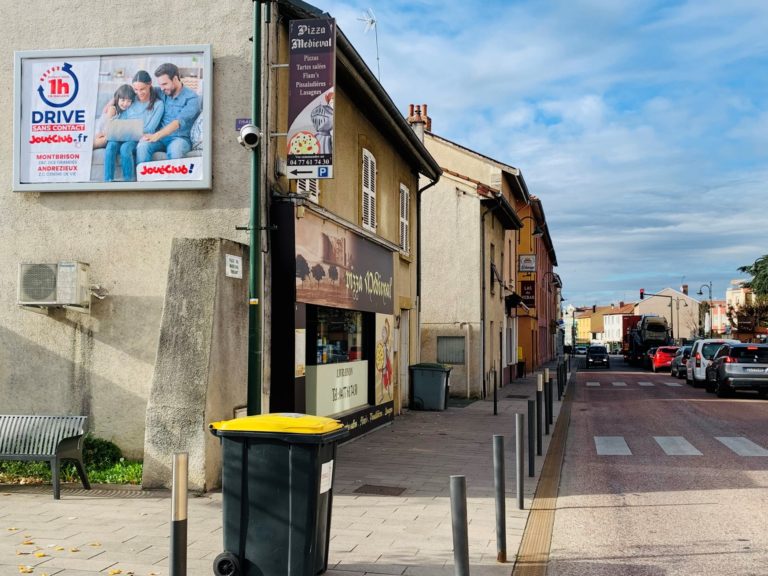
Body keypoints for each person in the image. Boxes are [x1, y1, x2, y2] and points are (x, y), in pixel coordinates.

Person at [103, 71, 164, 182]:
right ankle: (108, 181)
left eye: (142, 89)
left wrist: (132, 131)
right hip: (122, 133)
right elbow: (121, 112)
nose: (139, 93)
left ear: (150, 84)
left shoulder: (158, 105)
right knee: (110, 146)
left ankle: (129, 182)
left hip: (138, 137)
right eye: (136, 90)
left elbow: (150, 128)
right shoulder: (131, 99)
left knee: (125, 148)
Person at [135, 63, 200, 166]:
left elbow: (177, 123)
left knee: (176, 150)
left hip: (179, 138)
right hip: (159, 138)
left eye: (164, 84)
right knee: (143, 146)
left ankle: (174, 181)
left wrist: (156, 135)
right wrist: (112, 102)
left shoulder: (192, 98)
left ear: (175, 79)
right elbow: (138, 91)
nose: (161, 88)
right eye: (160, 85)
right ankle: (143, 181)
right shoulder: (162, 91)